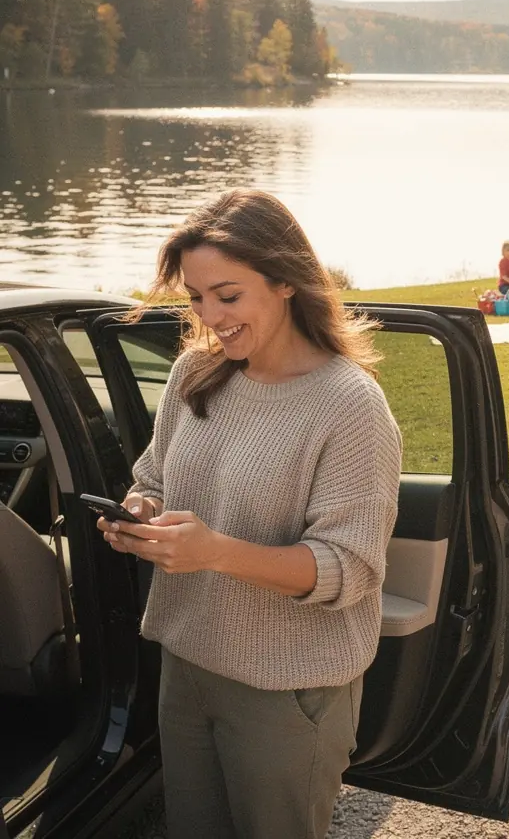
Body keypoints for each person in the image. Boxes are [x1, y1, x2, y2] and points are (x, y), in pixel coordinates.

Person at [96, 189, 402, 839]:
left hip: (287, 695)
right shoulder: (194, 376)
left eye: (227, 296)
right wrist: (139, 512)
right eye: (197, 297)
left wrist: (214, 552)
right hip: (189, 667)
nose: (210, 316)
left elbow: (348, 570)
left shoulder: (349, 405)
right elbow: (152, 478)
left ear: (286, 280)